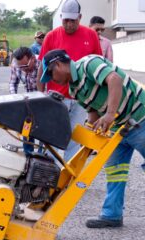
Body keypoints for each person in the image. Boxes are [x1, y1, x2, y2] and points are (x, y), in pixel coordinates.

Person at [40, 49, 145, 239]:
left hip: (141, 118)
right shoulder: (74, 89)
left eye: (51, 74)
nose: (52, 80)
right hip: (118, 127)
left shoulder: (89, 64)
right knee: (114, 170)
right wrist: (91, 128)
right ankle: (112, 214)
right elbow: (93, 110)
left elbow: (114, 80)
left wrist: (110, 114)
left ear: (59, 65)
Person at [37, 0, 102, 161]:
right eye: (65, 20)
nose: (69, 24)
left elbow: (99, 65)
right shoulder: (52, 36)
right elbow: (41, 67)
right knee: (51, 136)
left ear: (80, 17)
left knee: (75, 138)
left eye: (72, 20)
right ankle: (46, 174)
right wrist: (40, 94)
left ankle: (67, 179)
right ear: (61, 17)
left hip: (82, 98)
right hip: (56, 96)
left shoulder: (91, 35)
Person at [9, 47, 40, 155]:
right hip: (28, 100)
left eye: (25, 66)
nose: (23, 69)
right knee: (26, 128)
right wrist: (14, 99)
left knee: (44, 130)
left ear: (32, 58)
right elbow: (13, 83)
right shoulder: (15, 65)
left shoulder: (42, 63)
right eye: (20, 67)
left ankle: (43, 155)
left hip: (44, 100)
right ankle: (28, 155)